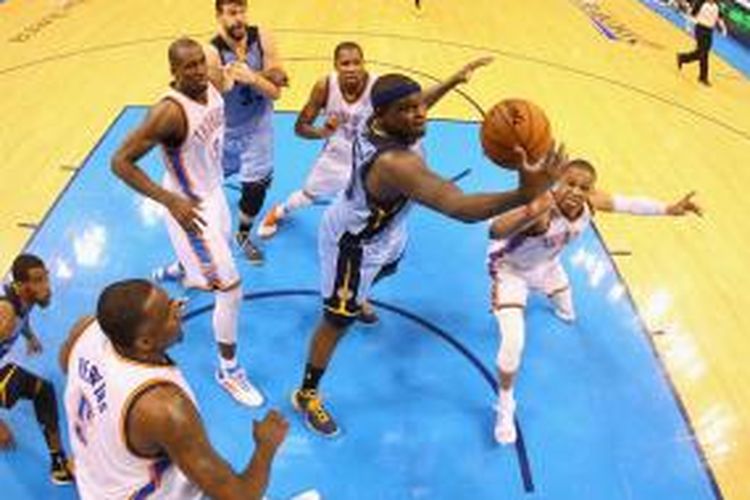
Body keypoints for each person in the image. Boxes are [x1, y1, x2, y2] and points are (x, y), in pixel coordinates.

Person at [291, 59, 570, 437]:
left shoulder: (385, 121)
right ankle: (306, 393)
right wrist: (524, 192)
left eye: (419, 104)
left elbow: (415, 101)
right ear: (385, 115)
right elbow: (460, 206)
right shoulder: (396, 163)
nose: (419, 113)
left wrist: (451, 79)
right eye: (407, 110)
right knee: (337, 320)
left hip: (385, 228)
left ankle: (362, 297)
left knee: (391, 265)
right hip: (353, 245)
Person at [487, 159, 702, 444]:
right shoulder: (542, 213)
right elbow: (496, 229)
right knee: (513, 343)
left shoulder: (590, 203)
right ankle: (505, 405)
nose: (576, 191)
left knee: (567, 312)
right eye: (570, 183)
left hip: (548, 265)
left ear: (591, 191)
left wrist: (669, 209)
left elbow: (629, 203)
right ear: (558, 182)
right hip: (512, 271)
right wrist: (531, 209)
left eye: (584, 187)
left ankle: (554, 297)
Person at [112, 37, 263, 407]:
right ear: (173, 72)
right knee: (230, 289)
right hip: (189, 208)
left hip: (214, 193)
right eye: (189, 66)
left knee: (215, 256)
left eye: (200, 62)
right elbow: (120, 162)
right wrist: (170, 201)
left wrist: (267, 74)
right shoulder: (168, 113)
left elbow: (237, 81)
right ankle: (228, 370)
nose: (198, 70)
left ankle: (184, 268)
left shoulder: (211, 83)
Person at [60, 279, 288, 499]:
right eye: (168, 312)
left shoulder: (86, 329)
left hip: (94, 477)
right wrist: (265, 447)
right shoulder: (164, 408)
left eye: (172, 302)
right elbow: (240, 496)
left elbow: (66, 365)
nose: (178, 309)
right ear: (144, 343)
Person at [258, 41, 376, 240]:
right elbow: (300, 128)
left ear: (364, 63)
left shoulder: (378, 87)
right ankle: (278, 212)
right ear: (335, 65)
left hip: (370, 156)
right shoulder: (325, 86)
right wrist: (324, 131)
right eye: (345, 64)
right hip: (337, 154)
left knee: (370, 204)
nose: (351, 69)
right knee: (308, 195)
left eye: (356, 63)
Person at [206, 0, 288, 264]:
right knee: (207, 183)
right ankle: (204, 236)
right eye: (232, 13)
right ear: (219, 16)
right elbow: (209, 98)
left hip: (258, 126)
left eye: (242, 11)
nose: (239, 18)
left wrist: (253, 77)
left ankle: (242, 233)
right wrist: (225, 83)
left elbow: (276, 90)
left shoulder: (262, 37)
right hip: (225, 129)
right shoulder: (211, 53)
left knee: (257, 186)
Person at [0, 254, 74, 484]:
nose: (47, 287)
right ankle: (59, 464)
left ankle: (58, 463)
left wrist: (29, 336)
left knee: (42, 388)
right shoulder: (5, 316)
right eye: (38, 281)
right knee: (38, 388)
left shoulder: (23, 299)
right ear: (21, 286)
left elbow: (25, 314)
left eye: (45, 278)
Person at [677, 0, 727, 86]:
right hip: (700, 29)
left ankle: (682, 58)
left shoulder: (717, 6)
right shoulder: (700, 3)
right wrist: (688, 26)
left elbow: (720, 18)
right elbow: (691, 14)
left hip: (710, 31)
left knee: (702, 53)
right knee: (703, 54)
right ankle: (703, 78)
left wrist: (724, 29)